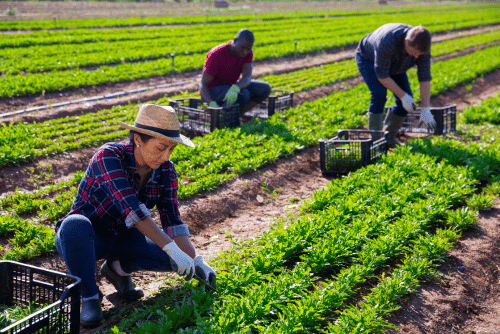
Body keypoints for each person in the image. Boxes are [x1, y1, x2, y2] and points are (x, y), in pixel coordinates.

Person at [54, 104, 216, 329]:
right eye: (161, 148)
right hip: (88, 238)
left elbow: (173, 221)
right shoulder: (109, 157)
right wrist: (171, 249)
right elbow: (133, 209)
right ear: (138, 139)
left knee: (175, 261)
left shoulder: (166, 171)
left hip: (124, 239)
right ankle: (88, 296)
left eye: (171, 149)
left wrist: (194, 261)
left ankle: (117, 269)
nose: (166, 156)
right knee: (74, 225)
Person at [355, 23, 437, 145]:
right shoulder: (387, 41)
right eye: (414, 52)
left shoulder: (421, 48)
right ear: (406, 42)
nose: (416, 57)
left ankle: (389, 137)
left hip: (397, 64)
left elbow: (424, 77)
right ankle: (376, 142)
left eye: (419, 54)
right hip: (369, 59)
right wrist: (403, 96)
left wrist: (425, 108)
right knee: (379, 94)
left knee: (405, 102)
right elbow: (382, 76)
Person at [199, 28, 271, 115]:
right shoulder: (217, 54)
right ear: (235, 40)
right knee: (244, 94)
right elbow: (203, 84)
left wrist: (235, 88)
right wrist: (211, 103)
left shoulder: (247, 53)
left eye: (248, 49)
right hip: (213, 92)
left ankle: (236, 114)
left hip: (229, 87)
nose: (245, 52)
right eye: (243, 48)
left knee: (265, 89)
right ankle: (220, 116)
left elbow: (247, 77)